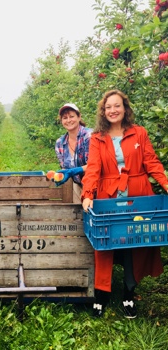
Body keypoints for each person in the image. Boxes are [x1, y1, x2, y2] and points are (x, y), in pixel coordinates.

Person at [81, 89, 168, 318]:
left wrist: (167, 184)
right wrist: (88, 193)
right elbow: (93, 168)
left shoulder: (139, 133)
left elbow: (152, 163)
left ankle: (129, 294)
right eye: (108, 107)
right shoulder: (97, 138)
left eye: (117, 106)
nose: (113, 110)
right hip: (109, 196)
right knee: (106, 243)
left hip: (138, 195)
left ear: (125, 108)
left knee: (134, 242)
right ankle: (102, 295)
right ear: (103, 111)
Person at [54, 103, 92, 186]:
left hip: (96, 185)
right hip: (79, 186)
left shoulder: (89, 136)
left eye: (71, 116)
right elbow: (64, 168)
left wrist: (73, 171)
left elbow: (95, 165)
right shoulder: (60, 143)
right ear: (61, 121)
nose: (68, 120)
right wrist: (60, 175)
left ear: (79, 117)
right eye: (65, 118)